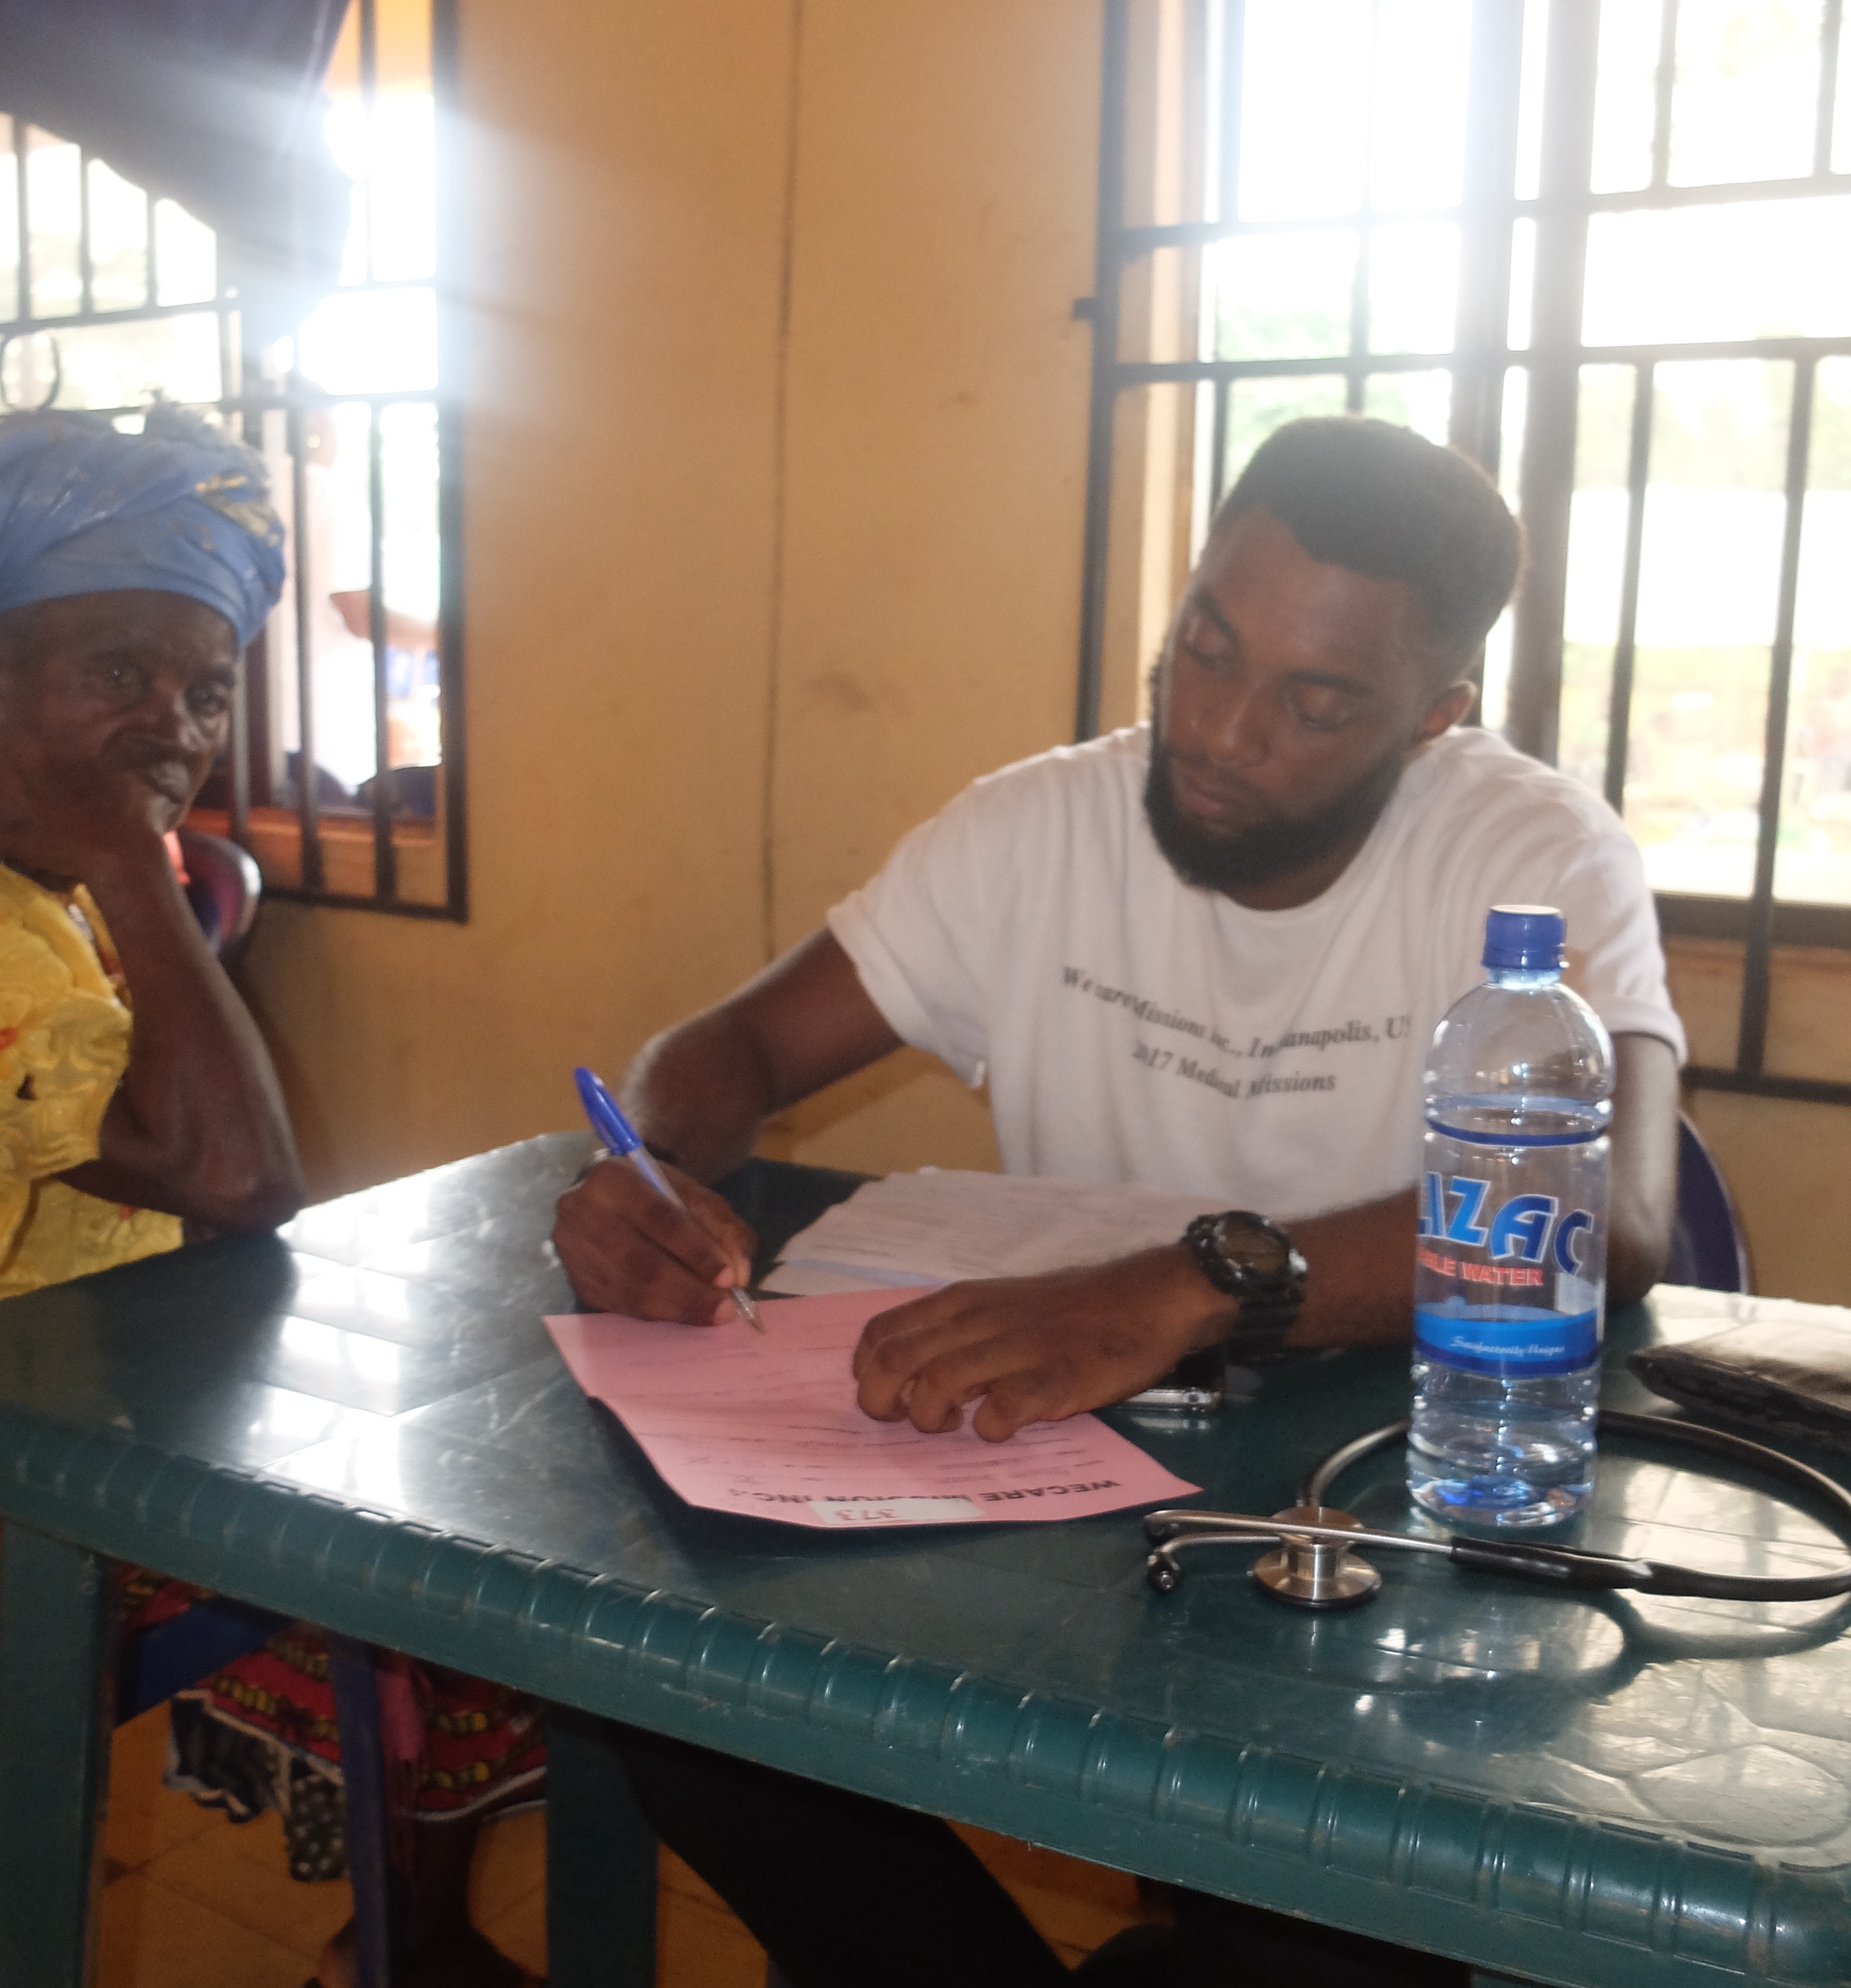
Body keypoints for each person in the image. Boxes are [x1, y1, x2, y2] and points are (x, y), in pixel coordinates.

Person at [549, 415, 1684, 1988]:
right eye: (1203, 648)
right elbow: (728, 1047)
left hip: (1387, 1515)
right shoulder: (1037, 827)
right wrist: (649, 1166)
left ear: (1434, 714)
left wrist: (1190, 1287)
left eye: (1312, 703)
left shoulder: (1526, 854)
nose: (1217, 729)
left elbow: (1614, 1220)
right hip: (1058, 1491)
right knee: (682, 1707)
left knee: (1308, 1915)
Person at [0, 408, 537, 1988]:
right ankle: (409, 1947)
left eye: (205, 688)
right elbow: (240, 1180)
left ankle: (392, 1920)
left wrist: (105, 865)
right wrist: (137, 868)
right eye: (119, 672)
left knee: (384, 1437)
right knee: (468, 1543)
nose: (174, 721)